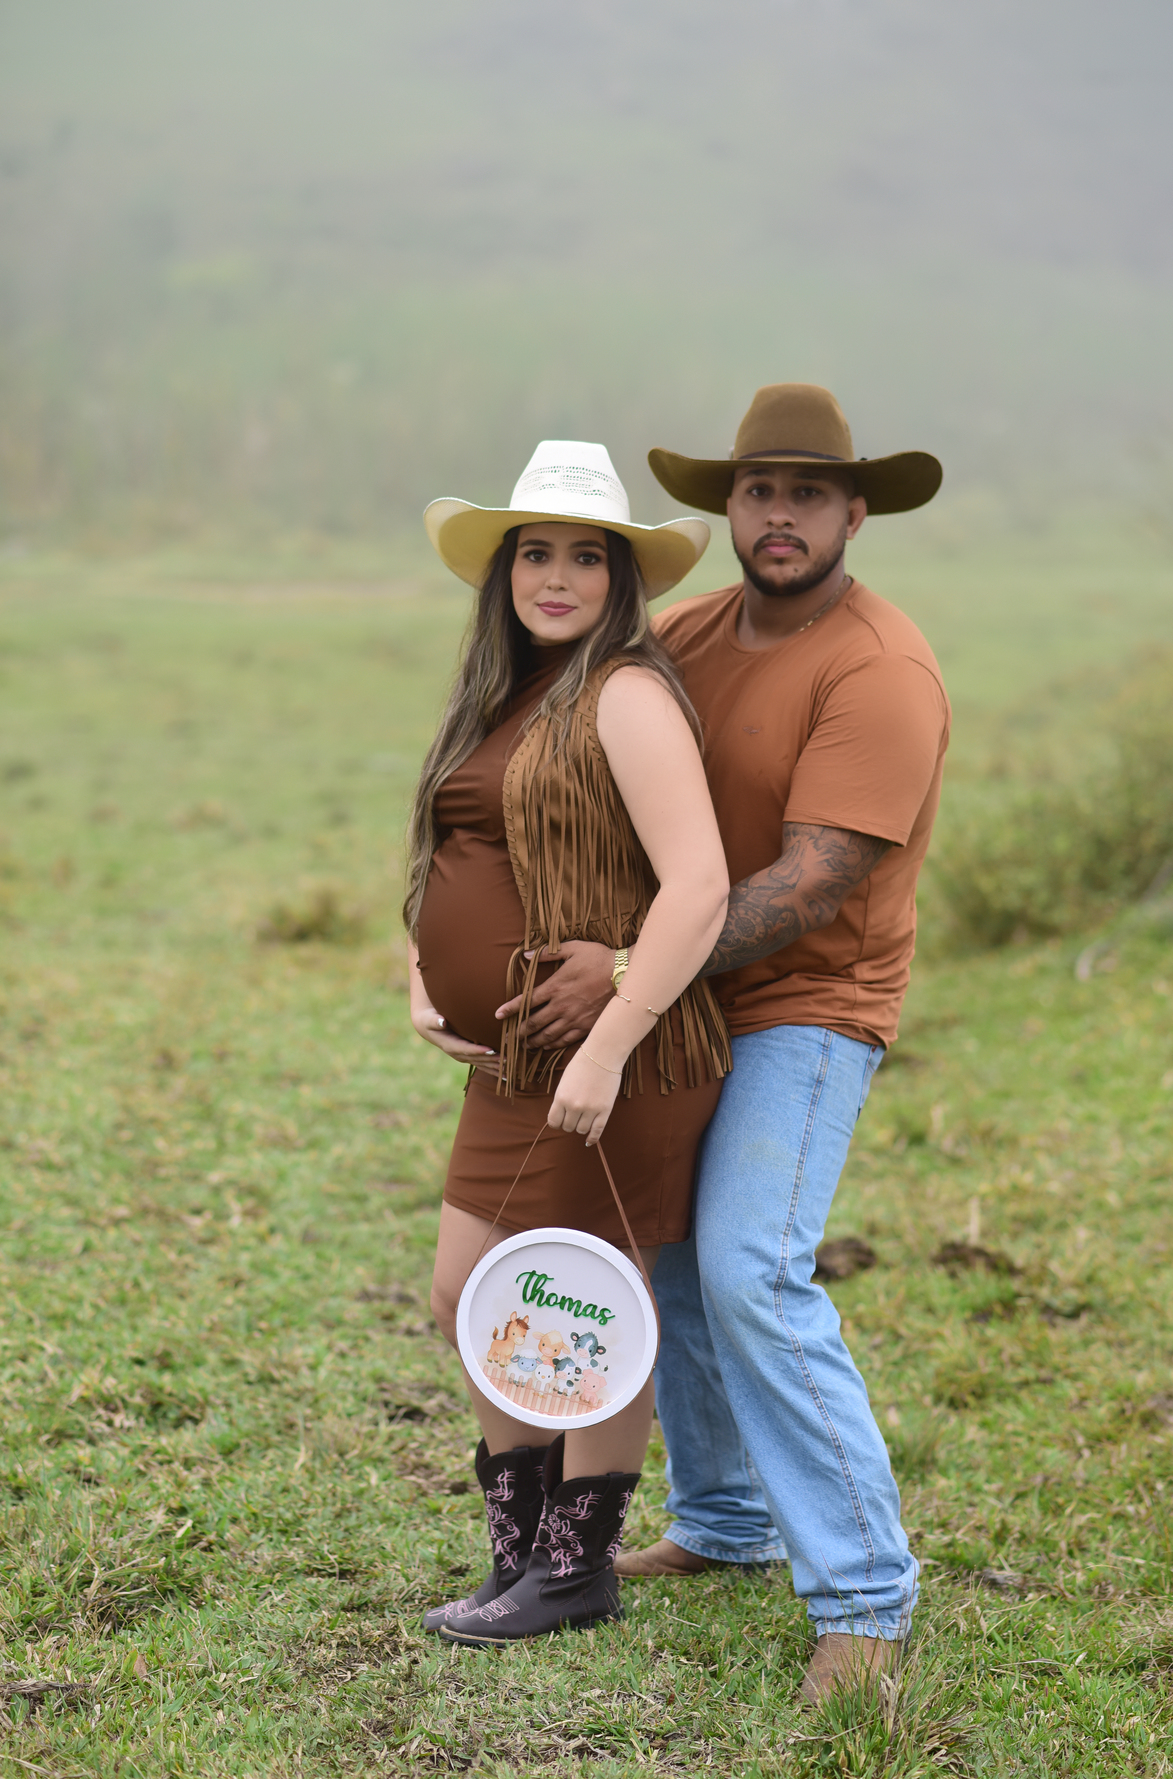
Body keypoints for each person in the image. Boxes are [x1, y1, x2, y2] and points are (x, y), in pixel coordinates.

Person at [495, 386, 949, 1700]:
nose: (782, 514)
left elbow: (814, 880)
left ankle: (865, 1598)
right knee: (672, 1258)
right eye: (761, 490)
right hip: (680, 999)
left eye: (810, 493)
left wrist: (630, 967)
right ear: (727, 507)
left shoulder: (879, 670)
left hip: (808, 1005)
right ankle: (728, 1520)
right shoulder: (687, 633)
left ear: (856, 513)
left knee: (752, 1264)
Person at [405, 439, 732, 1644]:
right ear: (503, 576)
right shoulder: (502, 692)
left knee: (587, 1301)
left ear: (619, 578)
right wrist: (419, 963)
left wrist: (609, 1043)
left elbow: (698, 884)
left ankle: (575, 1564)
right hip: (510, 1059)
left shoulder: (626, 693)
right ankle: (518, 1554)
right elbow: (457, 844)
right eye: (532, 554)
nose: (554, 576)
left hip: (616, 1056)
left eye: (582, 557)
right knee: (466, 1295)